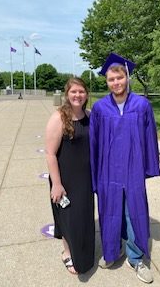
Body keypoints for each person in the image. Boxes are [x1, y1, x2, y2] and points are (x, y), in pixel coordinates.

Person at [89, 53, 160, 284]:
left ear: (127, 77)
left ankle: (136, 257)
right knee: (110, 212)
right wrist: (95, 174)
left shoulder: (142, 105)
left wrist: (148, 168)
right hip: (108, 170)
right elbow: (94, 143)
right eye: (111, 79)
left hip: (133, 169)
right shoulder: (99, 108)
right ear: (107, 82)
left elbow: (150, 138)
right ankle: (112, 251)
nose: (116, 83)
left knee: (133, 213)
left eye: (119, 78)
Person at [45, 77, 95, 275]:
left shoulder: (89, 115)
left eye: (81, 91)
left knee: (84, 218)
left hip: (85, 179)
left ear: (86, 95)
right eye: (74, 91)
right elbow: (50, 153)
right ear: (67, 94)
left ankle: (83, 253)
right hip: (64, 179)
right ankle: (67, 252)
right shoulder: (59, 117)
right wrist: (56, 184)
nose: (78, 95)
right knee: (67, 218)